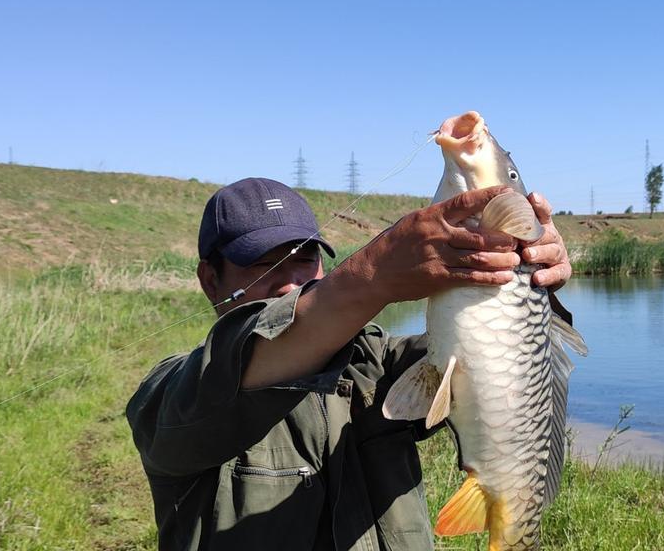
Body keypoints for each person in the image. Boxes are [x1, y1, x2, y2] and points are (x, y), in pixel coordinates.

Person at [126, 177, 573, 551]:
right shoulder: (170, 396)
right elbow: (250, 357)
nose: (291, 284)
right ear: (210, 279)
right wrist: (376, 274)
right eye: (266, 266)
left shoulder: (372, 364)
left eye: (305, 260)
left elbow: (495, 356)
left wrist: (526, 281)